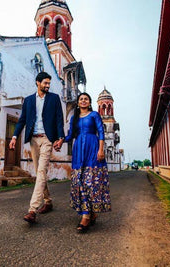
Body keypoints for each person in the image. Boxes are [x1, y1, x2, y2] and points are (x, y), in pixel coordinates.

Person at [9, 71, 65, 224]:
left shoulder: (54, 98)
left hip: (47, 139)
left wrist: (60, 137)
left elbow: (59, 119)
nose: (47, 85)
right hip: (34, 140)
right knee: (39, 172)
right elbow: (22, 121)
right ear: (38, 83)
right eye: (45, 83)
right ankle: (48, 202)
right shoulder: (28, 101)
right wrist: (14, 137)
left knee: (41, 171)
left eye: (49, 83)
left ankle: (32, 210)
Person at [65, 92, 111, 233]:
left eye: (86, 99)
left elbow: (101, 132)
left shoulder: (94, 115)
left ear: (89, 102)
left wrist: (101, 150)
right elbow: (71, 134)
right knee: (80, 181)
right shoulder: (74, 118)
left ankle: (87, 215)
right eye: (81, 99)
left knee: (91, 181)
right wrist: (61, 140)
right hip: (79, 150)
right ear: (78, 103)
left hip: (93, 148)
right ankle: (87, 214)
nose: (83, 101)